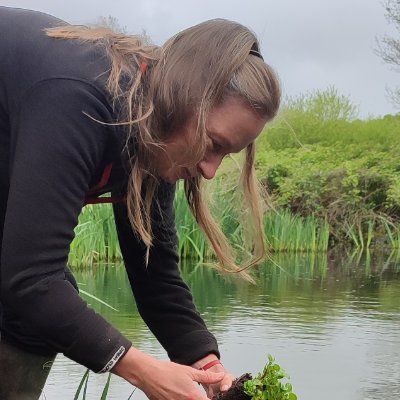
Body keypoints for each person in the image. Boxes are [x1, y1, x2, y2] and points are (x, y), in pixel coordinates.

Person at [0, 6, 281, 400]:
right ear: (184, 99)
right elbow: (31, 280)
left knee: (32, 320)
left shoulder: (157, 134)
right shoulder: (81, 97)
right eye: (213, 144)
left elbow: (154, 270)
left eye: (226, 155)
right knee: (41, 297)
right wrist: (142, 371)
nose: (210, 170)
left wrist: (204, 362)